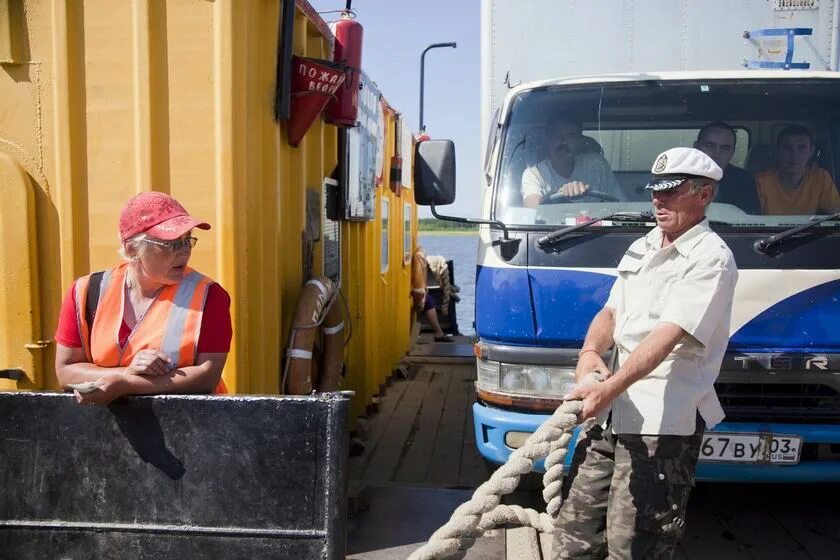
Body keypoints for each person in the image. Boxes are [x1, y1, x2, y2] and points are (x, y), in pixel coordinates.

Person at [553, 147, 738, 559]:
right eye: (655, 191)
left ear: (703, 194)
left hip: (661, 427)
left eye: (671, 192)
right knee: (573, 535)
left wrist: (609, 388)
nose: (658, 200)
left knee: (634, 547)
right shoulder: (645, 244)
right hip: (612, 415)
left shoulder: (711, 259)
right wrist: (588, 353)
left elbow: (667, 336)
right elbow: (611, 311)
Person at [54, 191, 232, 405]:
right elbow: (65, 372)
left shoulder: (210, 295)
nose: (184, 252)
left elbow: (207, 376)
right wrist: (127, 373)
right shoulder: (84, 291)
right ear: (132, 249)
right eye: (171, 244)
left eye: (187, 241)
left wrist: (126, 385)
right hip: (104, 430)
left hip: (190, 427)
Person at [521, 113, 625, 208]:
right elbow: (531, 208)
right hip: (554, 228)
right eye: (557, 135)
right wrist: (561, 195)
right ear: (548, 140)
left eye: (571, 136)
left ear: (579, 141)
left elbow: (619, 204)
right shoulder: (534, 174)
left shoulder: (597, 164)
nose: (563, 142)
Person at [755, 124, 840, 215]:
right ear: (778, 151)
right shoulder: (760, 181)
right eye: (787, 148)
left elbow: (835, 217)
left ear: (811, 151)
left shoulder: (821, 178)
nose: (794, 155)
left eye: (801, 148)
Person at [693, 121, 760, 214]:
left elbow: (749, 220)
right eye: (710, 146)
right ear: (696, 147)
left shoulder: (742, 180)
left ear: (732, 152)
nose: (717, 153)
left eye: (725, 148)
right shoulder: (678, 177)